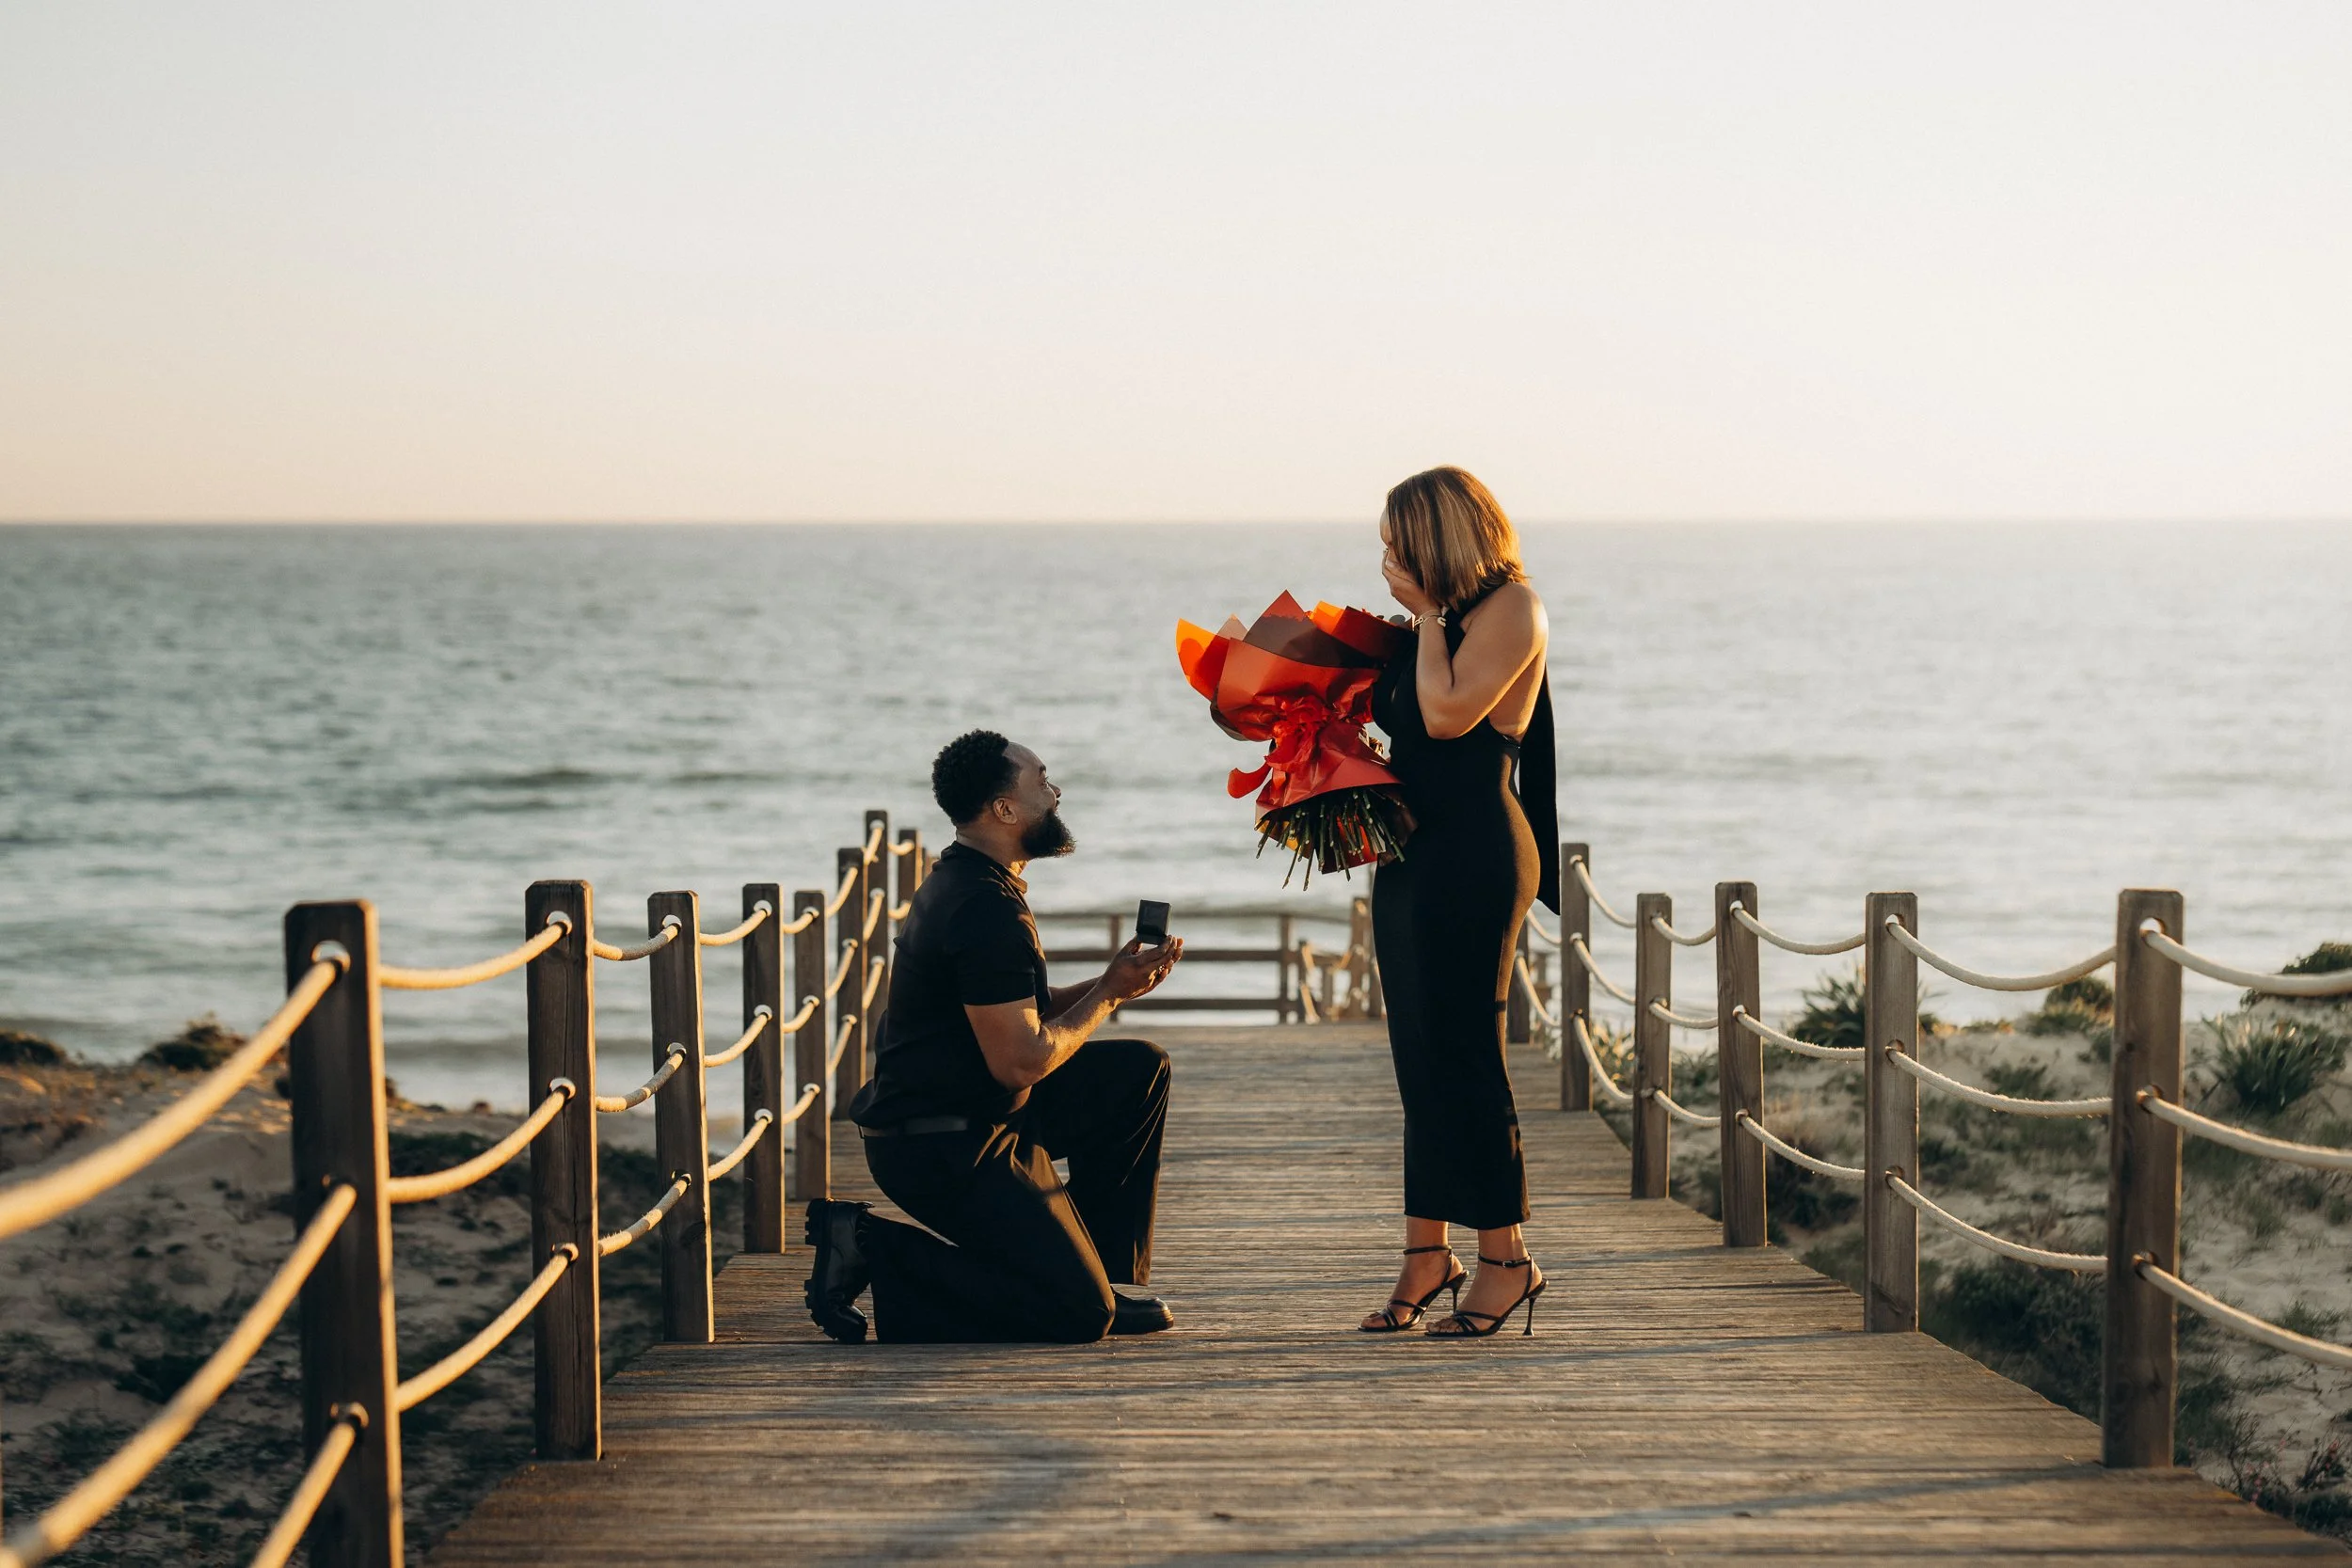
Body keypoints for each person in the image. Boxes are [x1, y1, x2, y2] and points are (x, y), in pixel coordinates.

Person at [803, 729, 1185, 1344]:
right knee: (1078, 1314)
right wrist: (1109, 994)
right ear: (1004, 810)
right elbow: (1021, 1059)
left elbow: (1015, 1013)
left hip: (975, 1114)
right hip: (941, 1146)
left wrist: (1113, 982)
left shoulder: (969, 877)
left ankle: (1093, 1269)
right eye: (1041, 781)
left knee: (1137, 1072)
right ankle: (869, 1243)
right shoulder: (984, 907)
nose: (1054, 793)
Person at [1359, 467, 1559, 1338]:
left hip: (1479, 851)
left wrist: (1430, 614)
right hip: (1412, 854)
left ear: (1441, 537)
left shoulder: (1512, 608)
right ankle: (1426, 1253)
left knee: (1469, 1054)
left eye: (1399, 542)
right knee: (1419, 1059)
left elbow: (1446, 718)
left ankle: (1509, 1260)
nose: (1388, 559)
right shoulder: (1427, 624)